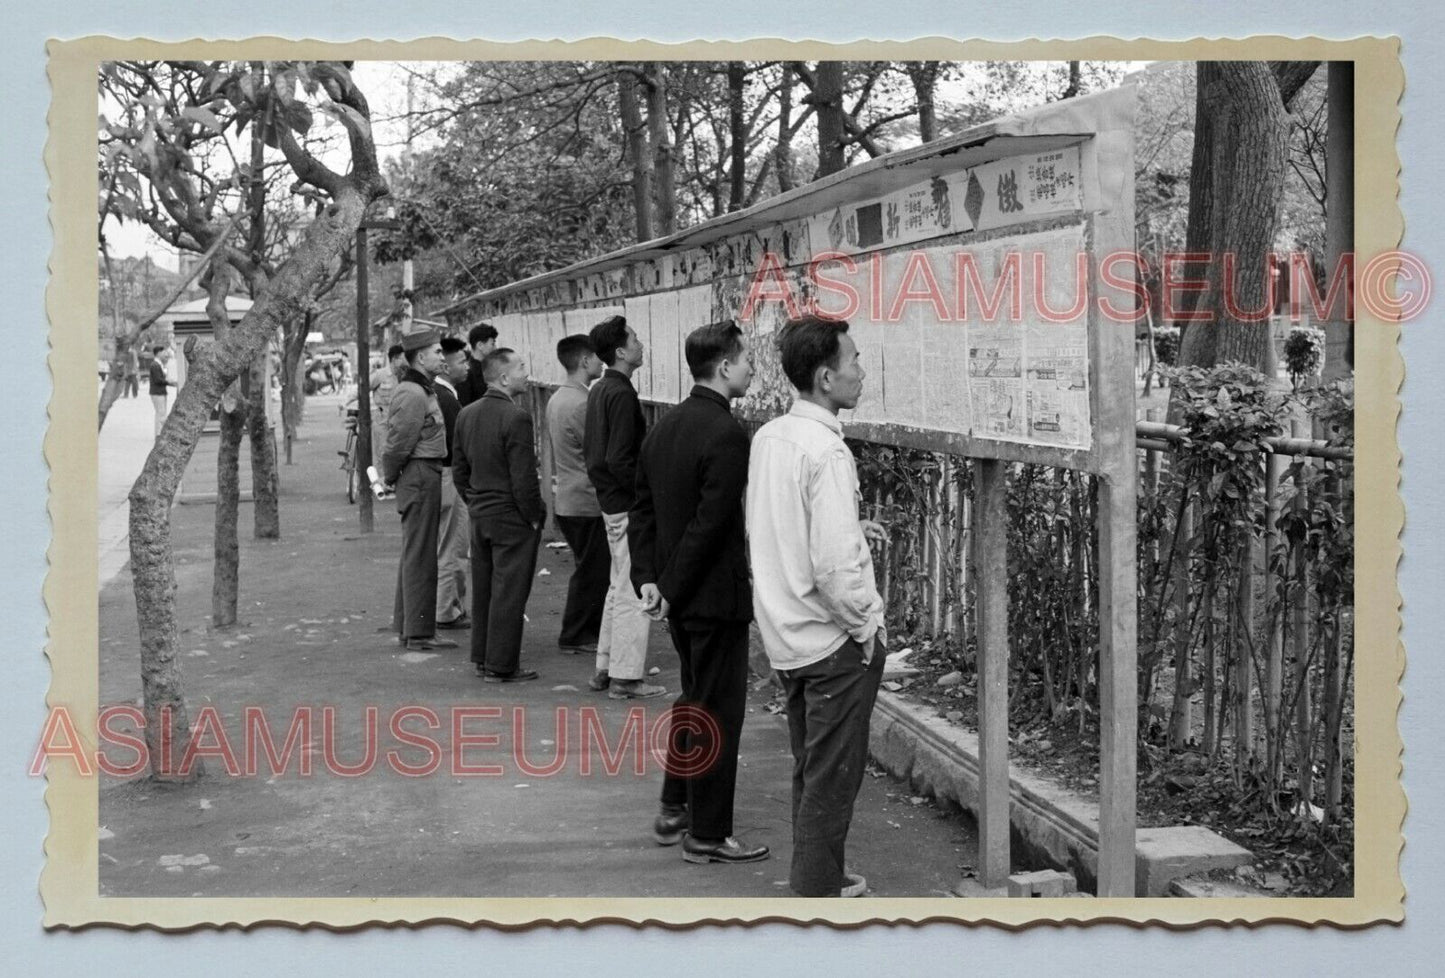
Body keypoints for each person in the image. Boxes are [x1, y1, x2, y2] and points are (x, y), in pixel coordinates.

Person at [745, 314, 888, 898]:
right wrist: (865, 627)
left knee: (812, 765)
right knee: (833, 775)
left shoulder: (771, 436)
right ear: (827, 377)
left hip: (785, 633)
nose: (861, 371)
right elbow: (832, 569)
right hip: (831, 643)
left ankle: (823, 874)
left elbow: (775, 526)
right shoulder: (827, 452)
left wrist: (850, 526)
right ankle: (815, 894)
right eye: (853, 361)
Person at [630, 321, 769, 866]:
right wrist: (669, 585)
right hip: (711, 597)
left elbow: (643, 510)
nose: (752, 368)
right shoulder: (726, 434)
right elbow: (711, 526)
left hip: (678, 598)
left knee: (693, 701)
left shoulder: (664, 427)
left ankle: (675, 806)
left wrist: (652, 580)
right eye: (745, 360)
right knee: (718, 712)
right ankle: (709, 833)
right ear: (724, 366)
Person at [583, 315, 665, 700]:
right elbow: (620, 459)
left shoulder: (600, 389)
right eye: (634, 338)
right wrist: (642, 499)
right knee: (636, 588)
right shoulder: (621, 393)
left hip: (609, 501)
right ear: (620, 351)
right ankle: (627, 677)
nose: (641, 343)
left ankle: (605, 665)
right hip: (626, 503)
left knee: (618, 585)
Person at [452, 348, 545, 683]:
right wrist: (533, 516)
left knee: (486, 588)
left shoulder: (467, 414)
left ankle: (483, 657)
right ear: (504, 377)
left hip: (481, 513)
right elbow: (524, 478)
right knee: (510, 592)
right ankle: (502, 665)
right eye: (521, 367)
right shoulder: (516, 417)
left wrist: (476, 501)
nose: (526, 372)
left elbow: (460, 472)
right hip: (511, 517)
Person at [381, 330, 455, 652]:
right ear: (420, 358)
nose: (443, 357)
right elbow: (398, 443)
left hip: (423, 473)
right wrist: (390, 476)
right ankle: (420, 633)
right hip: (420, 473)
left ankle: (409, 627)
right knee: (422, 555)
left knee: (417, 552)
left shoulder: (421, 390)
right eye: (437, 352)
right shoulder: (413, 393)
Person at [544, 334, 608, 655]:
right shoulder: (582, 403)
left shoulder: (558, 398)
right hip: (586, 499)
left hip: (568, 496)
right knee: (592, 571)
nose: (602, 362)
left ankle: (582, 631)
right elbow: (598, 452)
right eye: (597, 357)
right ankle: (577, 634)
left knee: (588, 568)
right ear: (585, 361)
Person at [433, 337, 471, 630]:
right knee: (454, 546)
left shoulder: (441, 394)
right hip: (450, 476)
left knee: (447, 544)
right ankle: (448, 609)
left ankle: (447, 605)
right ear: (445, 365)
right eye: (462, 361)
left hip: (441, 477)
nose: (467, 366)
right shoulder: (445, 398)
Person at [371, 343, 406, 465]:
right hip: (382, 420)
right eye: (403, 358)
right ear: (395, 359)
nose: (405, 361)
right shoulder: (380, 374)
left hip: (397, 420)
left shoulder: (403, 375)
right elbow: (361, 390)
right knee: (382, 454)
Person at [455, 322, 498, 406]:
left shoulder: (488, 369)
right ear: (480, 345)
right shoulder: (466, 374)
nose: (495, 348)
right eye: (492, 344)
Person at [148, 345, 176, 438]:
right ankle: (162, 433)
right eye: (163, 352)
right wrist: (170, 382)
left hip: (157, 392)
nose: (165, 354)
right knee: (161, 413)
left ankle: (158, 433)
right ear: (158, 353)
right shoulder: (155, 365)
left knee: (159, 413)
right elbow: (158, 380)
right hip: (158, 392)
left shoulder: (158, 364)